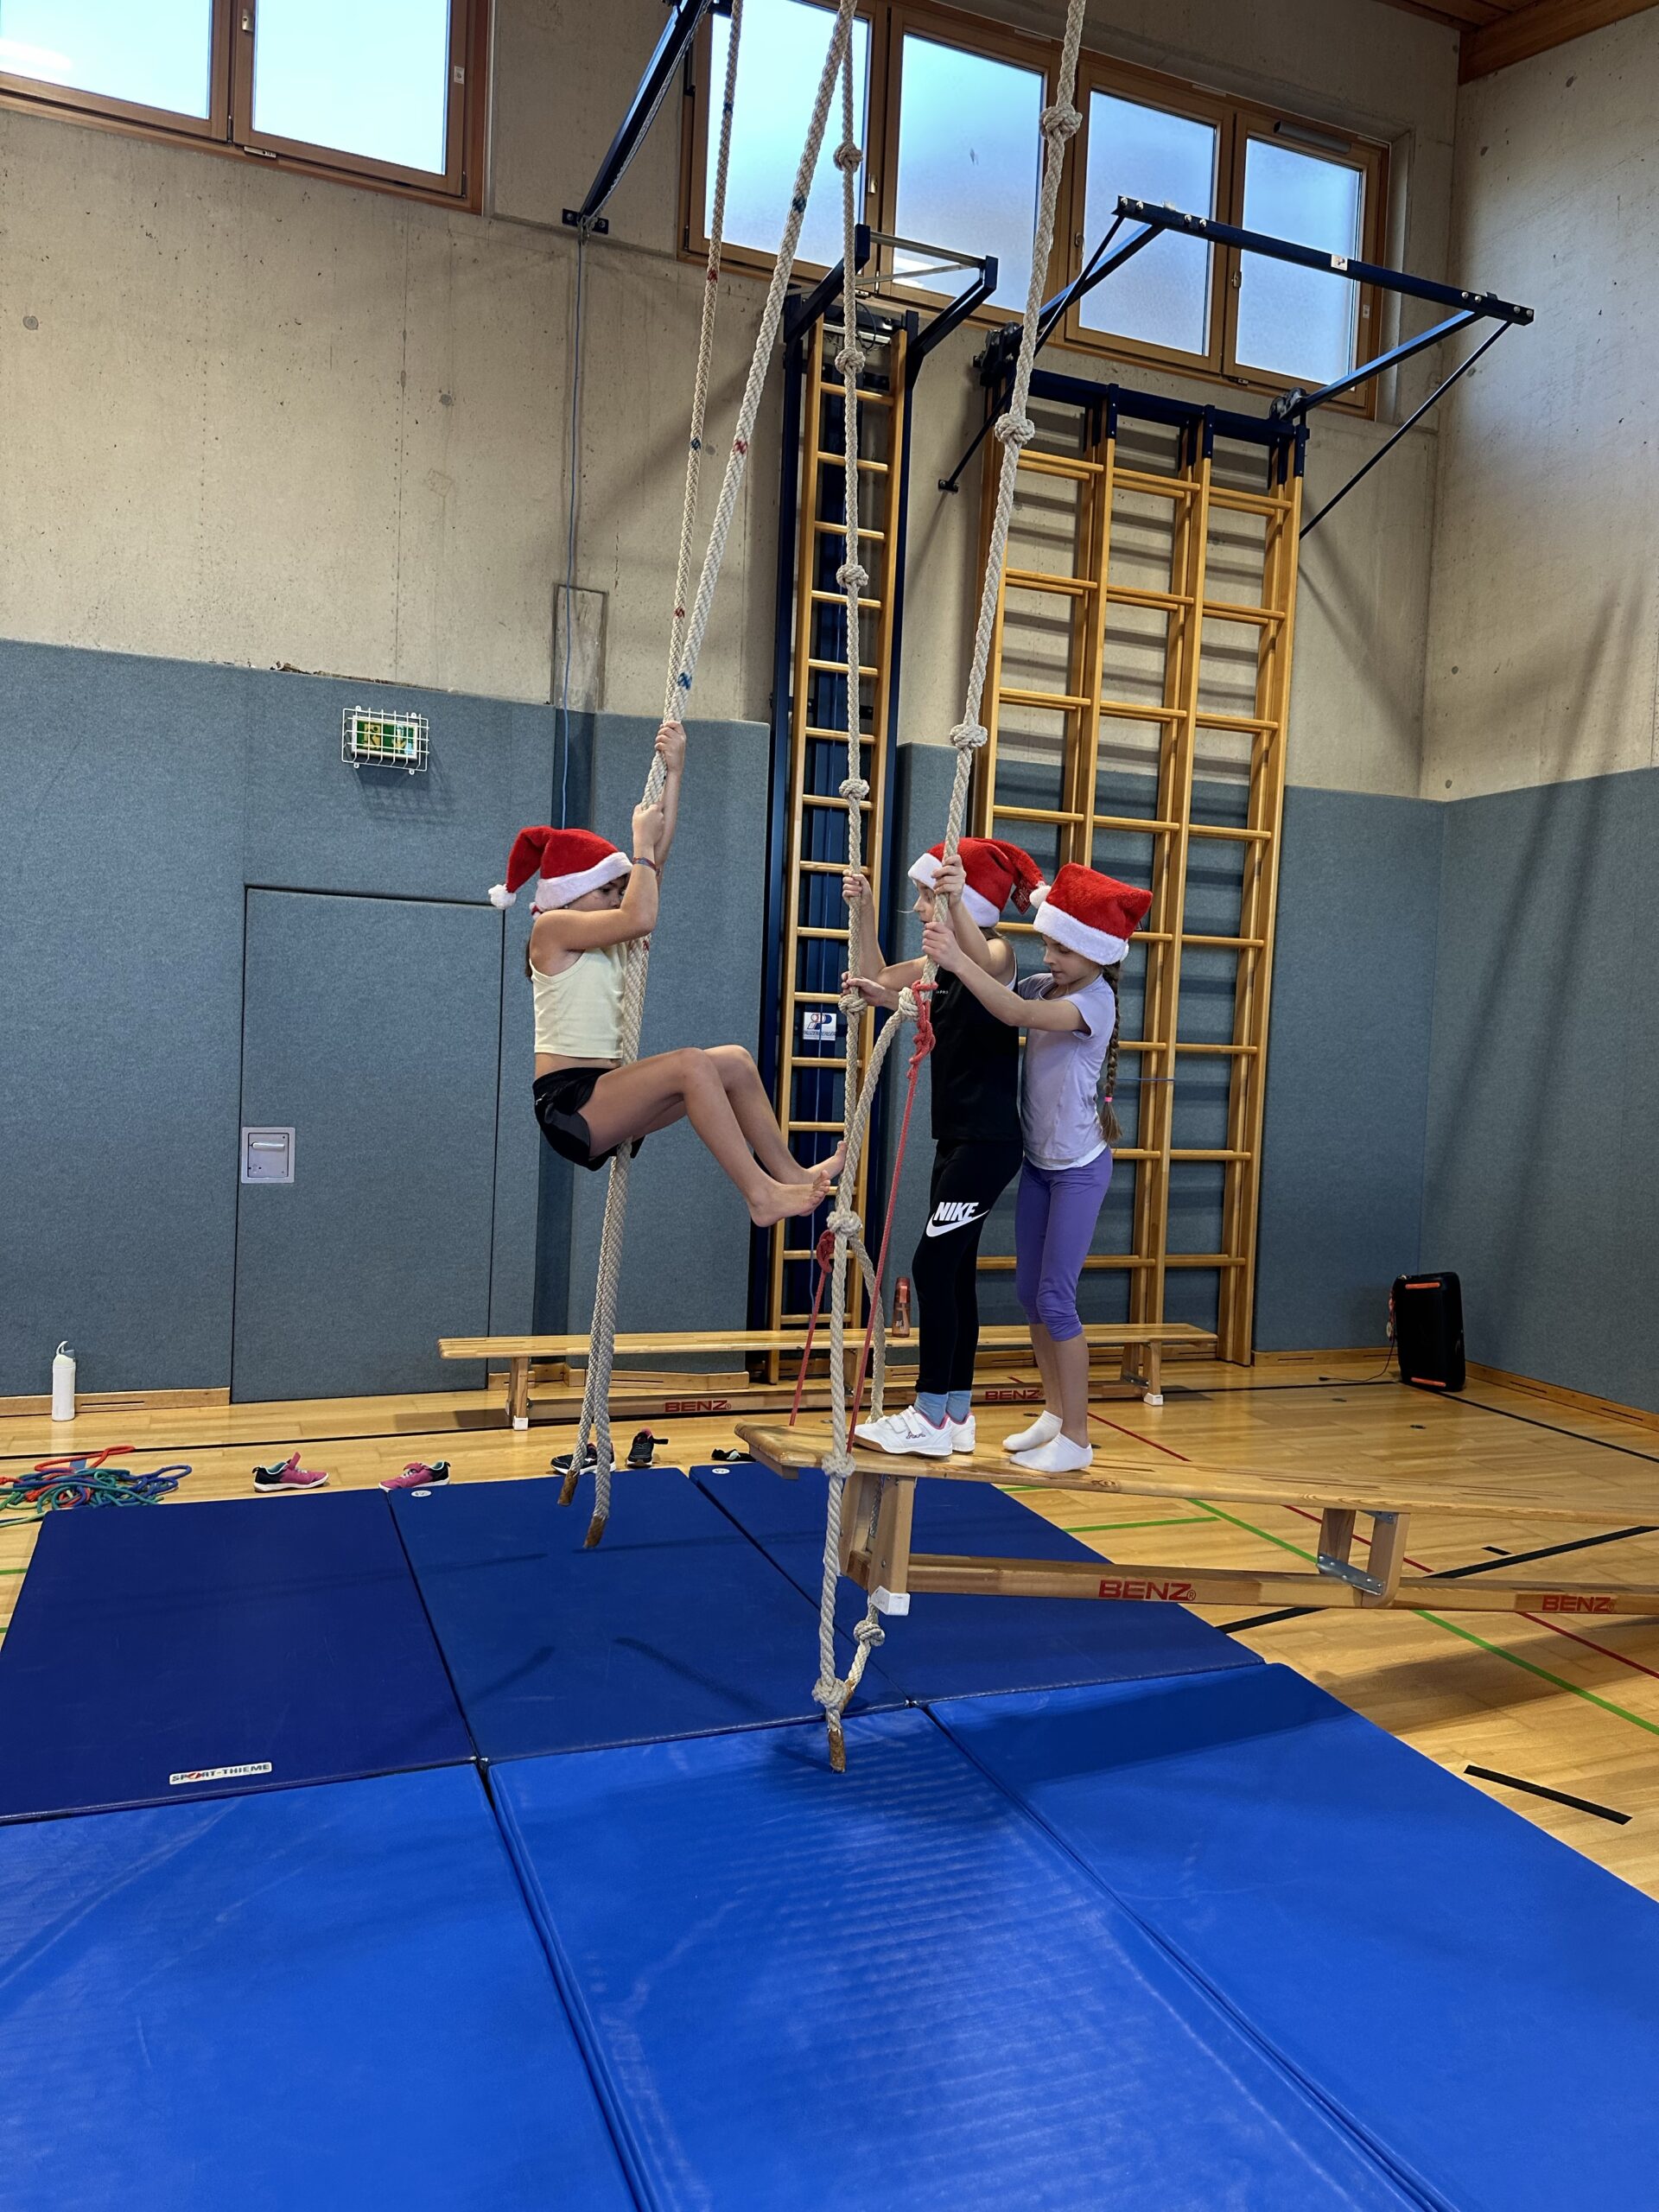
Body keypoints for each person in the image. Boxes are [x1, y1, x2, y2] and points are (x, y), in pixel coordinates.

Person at [492, 721, 837, 1227]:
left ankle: (790, 1173)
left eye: (618, 891)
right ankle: (759, 1194)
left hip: (609, 1092)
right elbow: (642, 910)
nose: (617, 899)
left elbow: (655, 864)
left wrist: (675, 772)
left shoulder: (605, 933)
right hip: (570, 1103)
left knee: (736, 1063)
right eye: (606, 891)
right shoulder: (552, 929)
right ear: (569, 894)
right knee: (690, 1065)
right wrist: (639, 846)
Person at [922, 861, 1152, 1475]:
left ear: (1098, 954)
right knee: (1030, 1293)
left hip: (1079, 1169)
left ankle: (1077, 1436)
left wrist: (958, 955)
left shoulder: (1094, 1002)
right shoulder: (1047, 986)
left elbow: (1010, 1011)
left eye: (1062, 950)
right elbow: (991, 977)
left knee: (1056, 1298)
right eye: (1047, 945)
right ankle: (1053, 1413)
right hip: (1040, 1164)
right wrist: (957, 910)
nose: (1049, 958)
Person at [841, 836, 1044, 1459]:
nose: (922, 909)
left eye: (929, 898)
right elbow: (880, 976)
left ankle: (928, 1415)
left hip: (987, 1141)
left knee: (931, 1266)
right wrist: (865, 910)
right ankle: (956, 1413)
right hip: (956, 1138)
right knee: (953, 1272)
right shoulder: (940, 967)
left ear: (964, 900)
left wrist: (955, 902)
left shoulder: (997, 952)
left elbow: (980, 956)